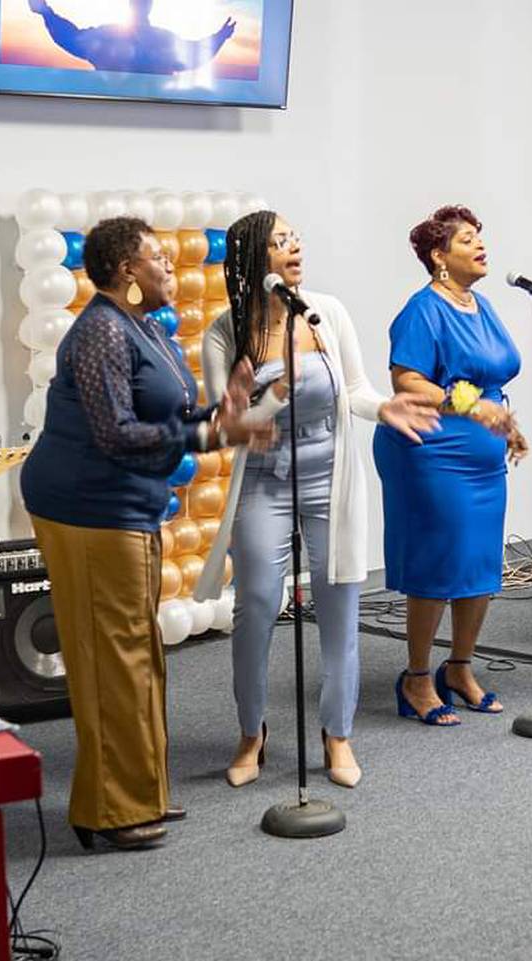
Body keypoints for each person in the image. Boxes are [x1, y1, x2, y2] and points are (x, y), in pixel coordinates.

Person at [19, 216, 267, 850]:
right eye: (157, 257)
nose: (168, 266)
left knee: (138, 654)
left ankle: (140, 791)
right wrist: (213, 434)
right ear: (126, 269)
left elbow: (173, 413)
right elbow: (114, 435)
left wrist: (221, 414)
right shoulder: (101, 329)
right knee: (114, 660)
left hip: (124, 507)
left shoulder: (140, 327)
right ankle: (110, 809)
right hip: (87, 510)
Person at [196, 211, 438, 788]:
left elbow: (353, 388)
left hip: (331, 474)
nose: (294, 247)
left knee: (340, 604)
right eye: (279, 242)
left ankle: (338, 733)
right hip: (263, 477)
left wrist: (384, 407)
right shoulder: (225, 331)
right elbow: (227, 425)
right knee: (255, 604)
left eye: (295, 237)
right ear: (255, 260)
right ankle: (252, 731)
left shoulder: (325, 312)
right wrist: (275, 395)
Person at [375, 205, 528, 726]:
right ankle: (416, 677)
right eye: (467, 240)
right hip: (432, 451)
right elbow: (408, 383)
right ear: (439, 256)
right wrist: (473, 407)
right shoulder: (422, 310)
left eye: (479, 238)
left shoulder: (480, 305)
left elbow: (492, 381)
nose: (480, 246)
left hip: (482, 455)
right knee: (439, 564)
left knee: (479, 566)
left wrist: (504, 423)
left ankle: (458, 668)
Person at [28, 0, 236, 75]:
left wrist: (46, 13)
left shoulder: (164, 39)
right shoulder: (109, 35)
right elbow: (71, 39)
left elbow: (71, 39)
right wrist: (46, 13)